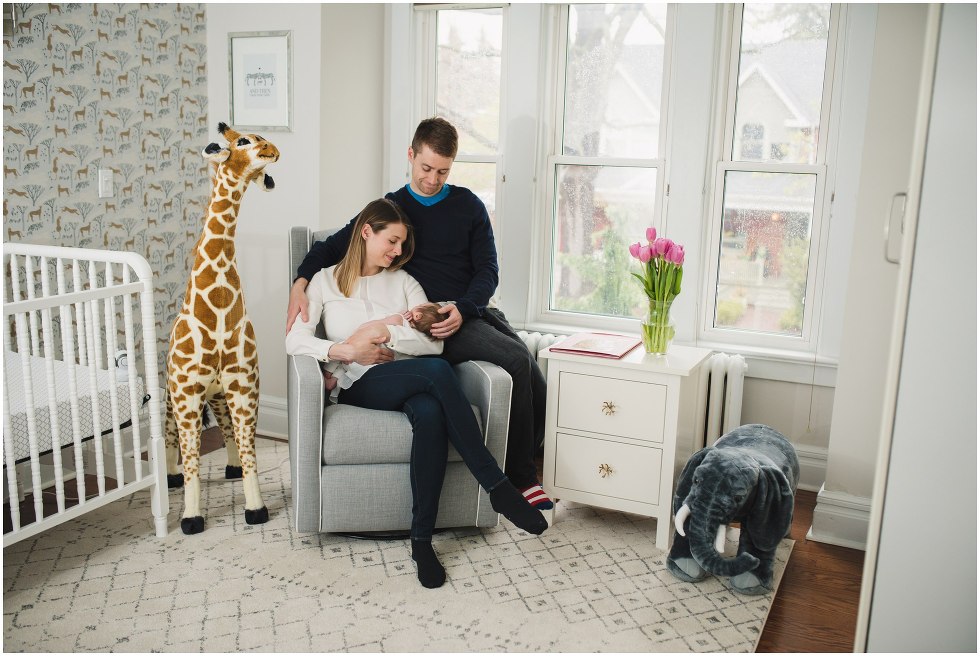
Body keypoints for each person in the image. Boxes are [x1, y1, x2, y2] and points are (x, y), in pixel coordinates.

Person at [287, 117, 552, 511]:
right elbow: (330, 248)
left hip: (469, 309)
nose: (432, 179)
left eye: (443, 171)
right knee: (515, 359)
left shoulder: (468, 206)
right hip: (429, 317)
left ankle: (531, 461)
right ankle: (522, 477)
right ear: (411, 155)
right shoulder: (393, 209)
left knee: (531, 370)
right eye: (426, 168)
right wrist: (299, 282)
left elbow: (488, 271)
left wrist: (464, 308)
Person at [285, 197, 547, 589]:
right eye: (391, 241)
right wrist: (344, 350)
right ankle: (495, 482)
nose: (397, 252)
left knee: (430, 412)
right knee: (436, 374)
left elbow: (434, 343)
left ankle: (421, 540)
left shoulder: (406, 282)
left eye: (402, 245)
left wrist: (385, 331)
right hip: (360, 384)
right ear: (366, 232)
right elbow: (294, 340)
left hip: (408, 374)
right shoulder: (324, 280)